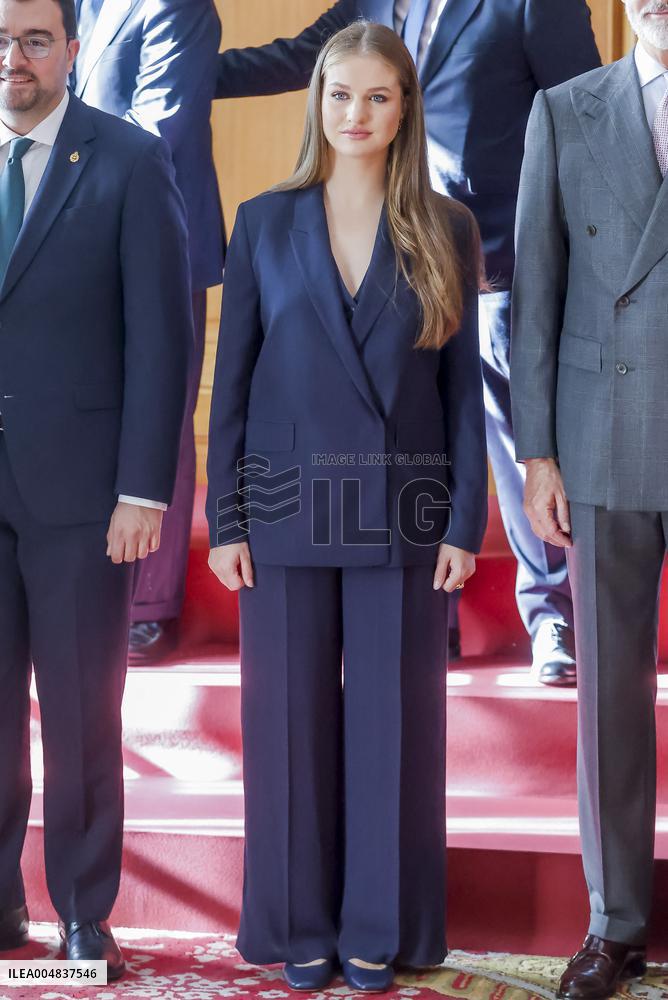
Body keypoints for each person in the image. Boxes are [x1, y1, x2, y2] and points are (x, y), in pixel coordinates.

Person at [207, 20, 487, 993]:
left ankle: (380, 923)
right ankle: (295, 922)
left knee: (391, 732)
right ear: (315, 104)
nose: (355, 114)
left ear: (403, 107)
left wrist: (464, 522)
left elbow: (461, 395)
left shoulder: (446, 226)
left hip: (402, 508)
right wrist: (226, 518)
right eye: (338, 96)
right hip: (282, 504)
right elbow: (229, 384)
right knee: (284, 728)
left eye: (375, 96)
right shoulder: (263, 222)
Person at [214, 0, 602, 686]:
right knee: (406, 419)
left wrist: (574, 245)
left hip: (499, 250)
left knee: (515, 440)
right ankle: (435, 612)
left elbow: (579, 111)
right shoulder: (371, 3)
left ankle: (551, 615)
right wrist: (190, 75)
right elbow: (300, 58)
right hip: (384, 246)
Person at [0, 0, 190, 977]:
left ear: (72, 49)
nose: (14, 56)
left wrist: (142, 492)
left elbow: (162, 337)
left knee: (80, 713)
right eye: (0, 37)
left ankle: (83, 908)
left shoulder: (123, 157)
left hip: (81, 495)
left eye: (34, 37)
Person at [511, 0, 668, 995]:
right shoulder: (563, 110)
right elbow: (536, 286)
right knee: (609, 698)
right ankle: (612, 926)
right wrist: (534, 451)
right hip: (602, 435)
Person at [73, 0, 225, 663]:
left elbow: (159, 123)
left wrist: (60, 183)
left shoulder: (177, 4)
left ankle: (149, 605)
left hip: (152, 236)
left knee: (159, 412)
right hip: (73, 239)